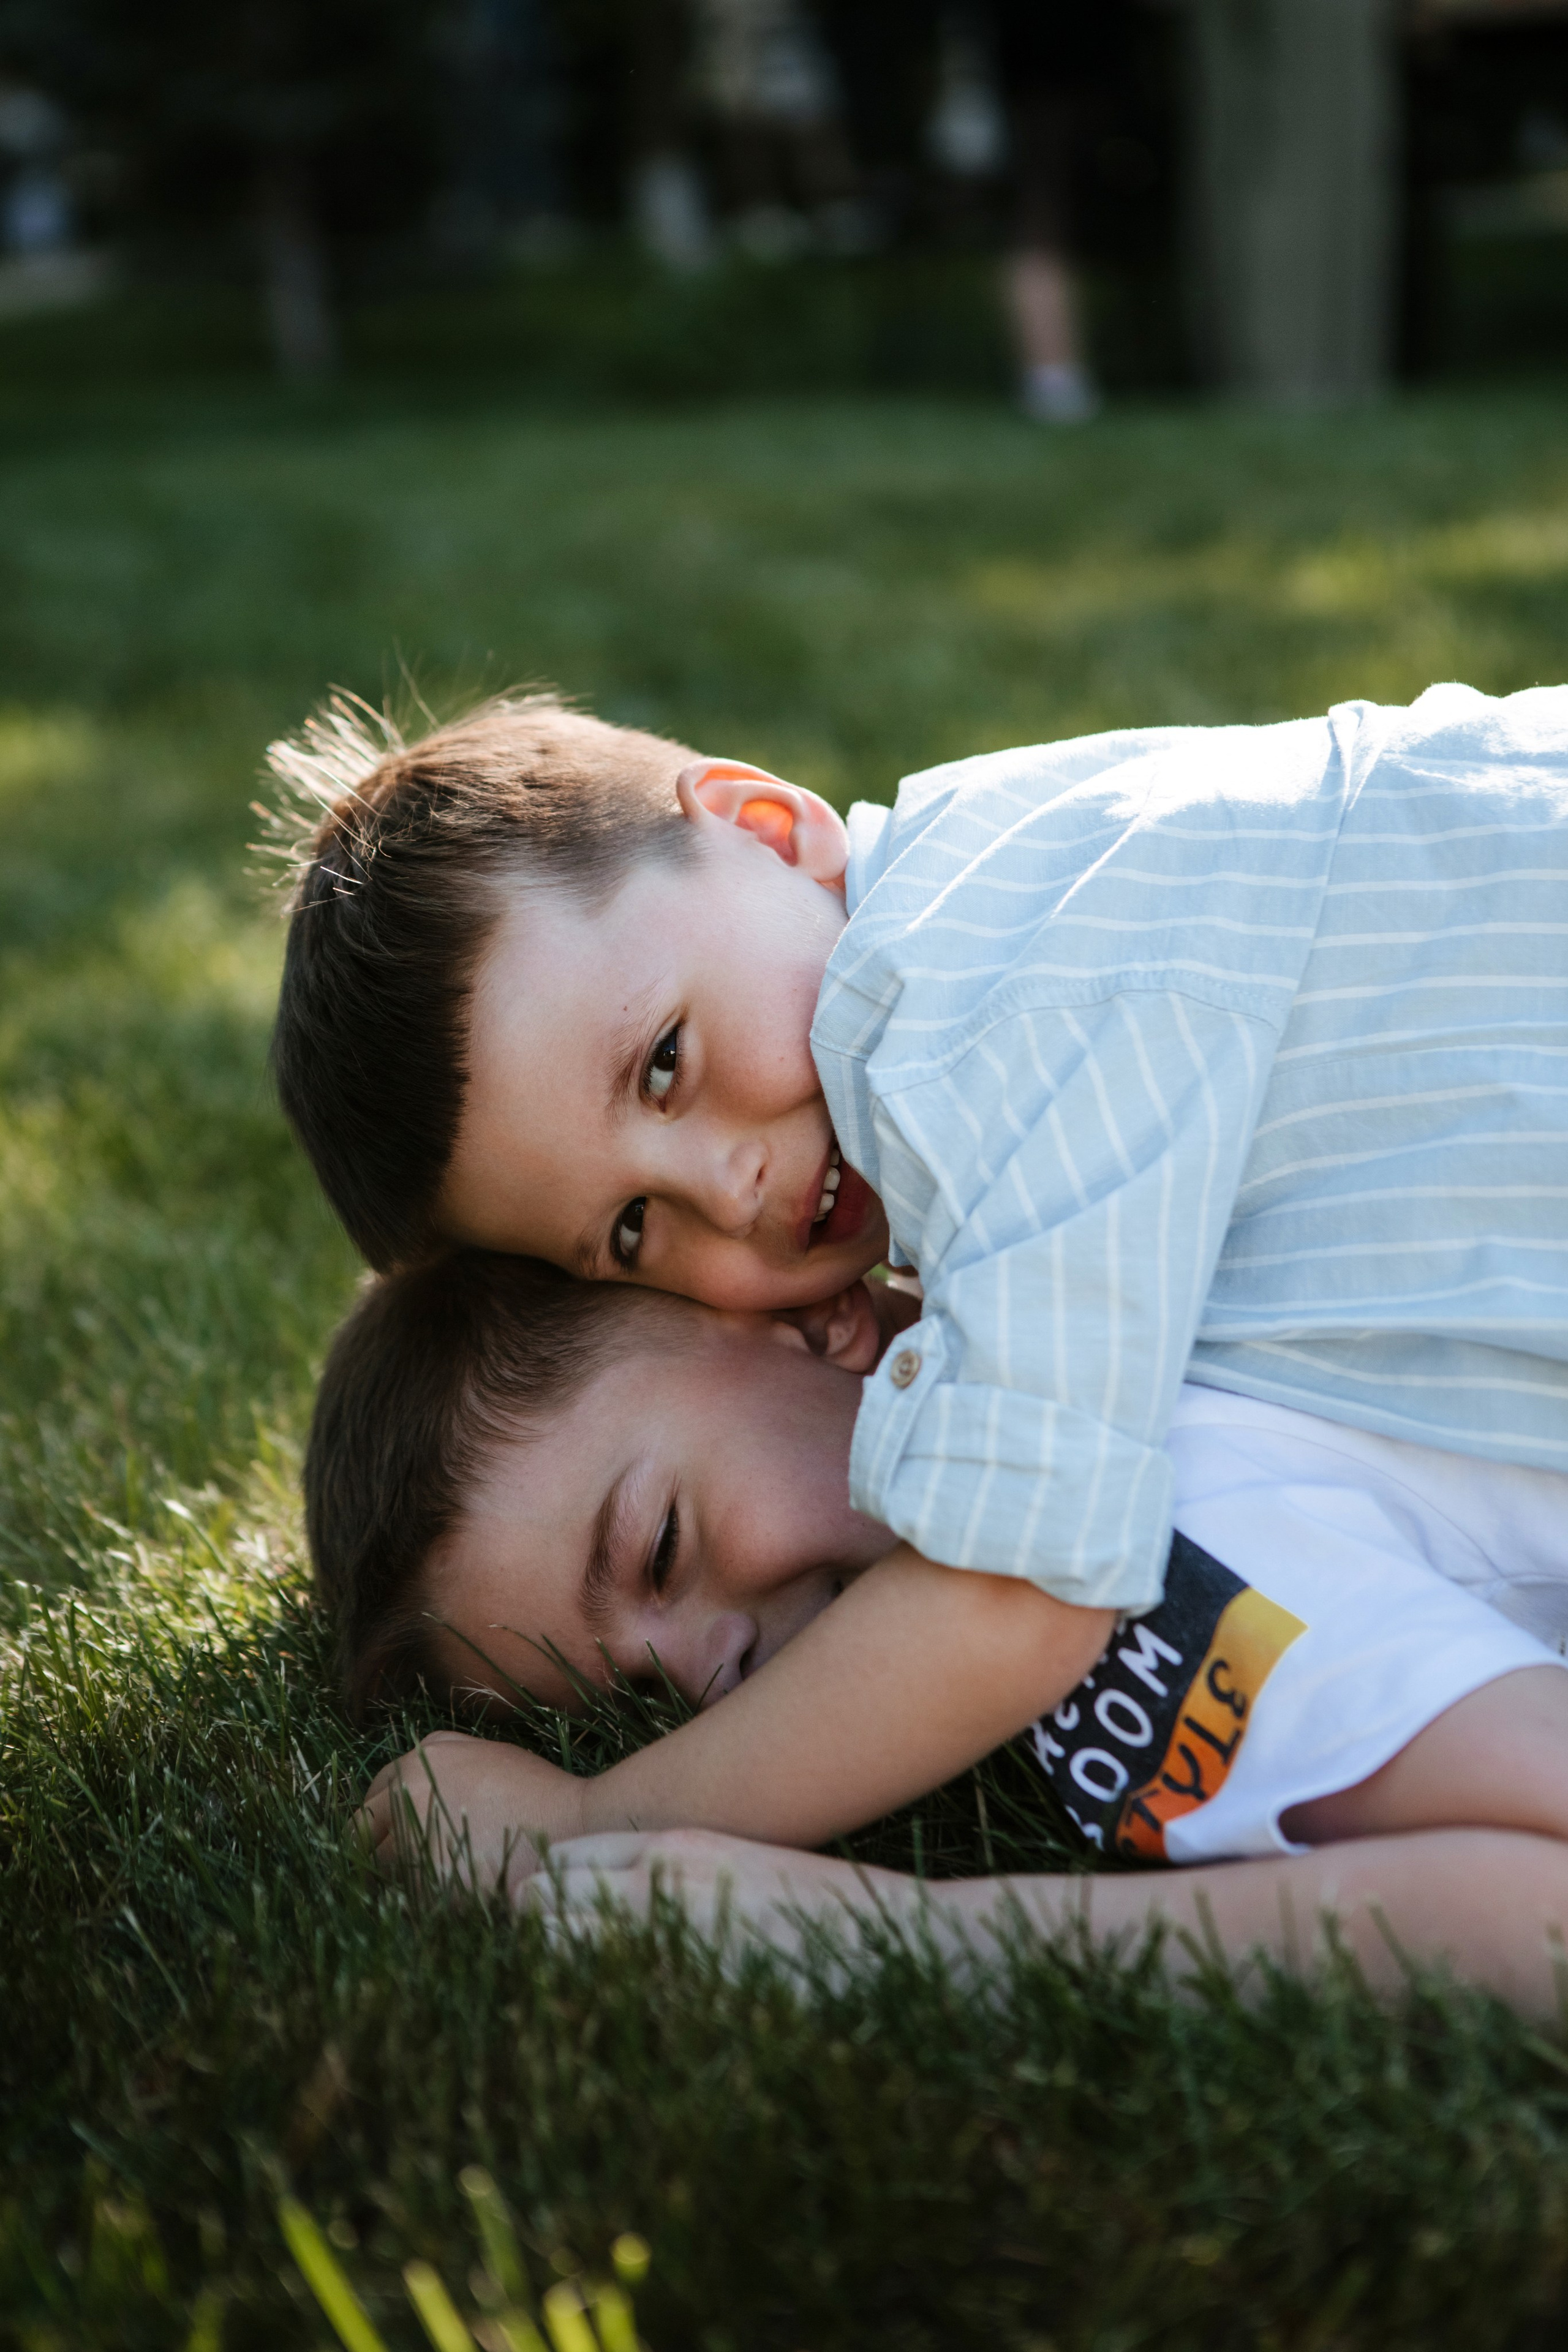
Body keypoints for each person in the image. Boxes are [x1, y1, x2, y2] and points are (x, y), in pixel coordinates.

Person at [270, 681, 1568, 1893]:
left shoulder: (971, 995)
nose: (723, 1190)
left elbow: (1018, 1590)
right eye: (629, 1229)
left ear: (762, 828)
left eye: (665, 1062)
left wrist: (591, 1824)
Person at [314, 1248, 1568, 2011]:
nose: (706, 1673)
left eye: (657, 1549)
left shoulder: (1135, 1572)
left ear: (814, 1322)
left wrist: (911, 1939)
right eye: (632, 1702)